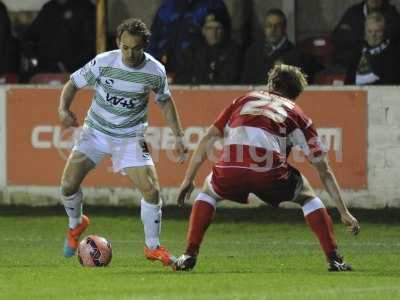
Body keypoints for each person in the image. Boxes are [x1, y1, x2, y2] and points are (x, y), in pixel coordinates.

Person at [172, 64, 360, 272]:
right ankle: (334, 259)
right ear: (296, 93)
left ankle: (189, 253)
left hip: (231, 168)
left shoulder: (243, 100)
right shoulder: (297, 114)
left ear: (271, 83)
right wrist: (344, 212)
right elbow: (323, 169)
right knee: (308, 197)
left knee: (207, 194)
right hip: (269, 172)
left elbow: (208, 137)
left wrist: (188, 179)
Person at [58, 18, 188, 266]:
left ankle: (152, 247)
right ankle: (76, 226)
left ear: (145, 46)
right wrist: (63, 109)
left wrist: (179, 135)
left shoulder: (154, 71)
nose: (129, 53)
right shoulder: (104, 62)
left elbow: (165, 101)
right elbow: (73, 83)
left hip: (129, 137)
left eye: (136, 48)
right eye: (125, 47)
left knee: (151, 190)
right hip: (95, 133)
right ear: (118, 42)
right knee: (67, 186)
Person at [147, 0, 231, 75]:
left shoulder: (214, 4)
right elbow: (154, 39)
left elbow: (224, 39)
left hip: (203, 69)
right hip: (171, 69)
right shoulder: (168, 6)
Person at [241, 9, 321, 85]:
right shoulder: (253, 52)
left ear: (284, 28)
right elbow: (244, 83)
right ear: (264, 28)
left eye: (277, 25)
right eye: (269, 25)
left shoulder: (296, 55)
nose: (273, 29)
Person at [22, 0, 95, 74]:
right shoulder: (49, 8)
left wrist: (68, 66)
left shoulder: (86, 8)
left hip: (74, 74)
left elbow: (92, 45)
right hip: (43, 71)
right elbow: (28, 38)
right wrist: (35, 61)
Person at [174, 11, 241, 84]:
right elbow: (181, 77)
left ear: (224, 30)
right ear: (203, 30)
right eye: (209, 28)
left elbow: (229, 79)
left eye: (218, 28)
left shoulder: (233, 50)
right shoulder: (192, 50)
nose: (214, 32)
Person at [332, 0, 400, 69]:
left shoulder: (392, 15)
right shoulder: (353, 12)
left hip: (377, 67)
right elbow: (336, 37)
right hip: (346, 64)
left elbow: (384, 42)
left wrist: (357, 36)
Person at [345, 12, 400, 85]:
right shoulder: (358, 51)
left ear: (384, 32)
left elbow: (392, 82)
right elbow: (348, 81)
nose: (373, 35)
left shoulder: (393, 53)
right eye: (369, 31)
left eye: (377, 31)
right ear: (365, 33)